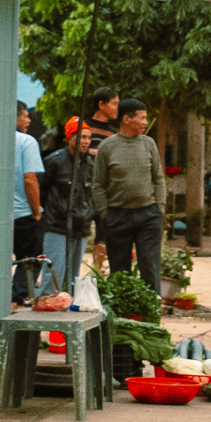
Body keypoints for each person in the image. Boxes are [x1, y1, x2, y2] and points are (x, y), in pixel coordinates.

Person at [93, 98, 166, 293]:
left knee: (150, 267)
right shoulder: (107, 147)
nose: (145, 122)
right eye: (141, 118)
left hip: (148, 215)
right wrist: (104, 213)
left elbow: (159, 179)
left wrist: (160, 208)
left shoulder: (149, 144)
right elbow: (98, 184)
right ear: (126, 119)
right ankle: (121, 314)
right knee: (119, 272)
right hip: (117, 217)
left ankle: (152, 312)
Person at [40, 118, 94, 295]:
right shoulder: (54, 161)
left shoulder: (91, 164)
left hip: (81, 227)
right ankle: (46, 309)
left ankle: (67, 308)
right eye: (81, 137)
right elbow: (42, 191)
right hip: (57, 225)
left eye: (88, 137)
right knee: (53, 273)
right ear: (70, 138)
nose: (85, 141)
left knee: (74, 277)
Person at [12, 102, 45, 306]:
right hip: (23, 214)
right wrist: (37, 212)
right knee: (30, 262)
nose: (29, 120)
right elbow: (30, 179)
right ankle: (16, 301)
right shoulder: (27, 141)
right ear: (14, 117)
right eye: (25, 116)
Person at [83, 87, 119, 270]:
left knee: (104, 230)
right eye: (114, 104)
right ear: (101, 105)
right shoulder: (84, 127)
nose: (116, 108)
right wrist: (94, 152)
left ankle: (97, 270)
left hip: (105, 190)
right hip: (83, 187)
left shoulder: (115, 134)